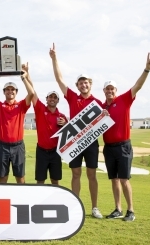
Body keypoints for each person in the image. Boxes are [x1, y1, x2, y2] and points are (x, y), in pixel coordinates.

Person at [49, 43, 103, 219]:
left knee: (92, 175)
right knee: (76, 174)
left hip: (92, 143)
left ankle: (94, 207)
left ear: (90, 84)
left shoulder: (98, 103)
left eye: (86, 82)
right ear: (78, 86)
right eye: (80, 83)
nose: (83, 85)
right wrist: (54, 58)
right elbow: (59, 79)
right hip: (74, 142)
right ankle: (75, 205)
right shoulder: (73, 97)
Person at [103, 53, 150, 222]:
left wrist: (147, 69)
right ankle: (118, 208)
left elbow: (138, 85)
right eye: (107, 89)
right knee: (114, 179)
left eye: (112, 89)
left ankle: (130, 210)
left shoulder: (124, 99)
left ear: (115, 91)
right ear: (104, 91)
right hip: (108, 148)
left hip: (123, 146)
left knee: (124, 179)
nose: (110, 91)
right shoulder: (101, 108)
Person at [0, 67, 34, 184]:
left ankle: (22, 201)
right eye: (7, 89)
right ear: (4, 92)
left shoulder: (22, 105)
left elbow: (31, 93)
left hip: (18, 146)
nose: (10, 91)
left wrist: (24, 77)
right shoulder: (0, 106)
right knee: (3, 177)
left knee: (20, 177)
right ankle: (3, 201)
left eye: (13, 90)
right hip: (3, 146)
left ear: (16, 92)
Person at [22, 63, 67, 185]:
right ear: (46, 99)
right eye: (50, 97)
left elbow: (69, 134)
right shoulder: (40, 109)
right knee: (40, 180)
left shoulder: (62, 117)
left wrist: (65, 124)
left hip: (55, 151)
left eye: (54, 97)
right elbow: (33, 91)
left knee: (55, 180)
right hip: (42, 150)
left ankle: (54, 202)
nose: (52, 99)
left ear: (58, 100)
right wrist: (27, 74)